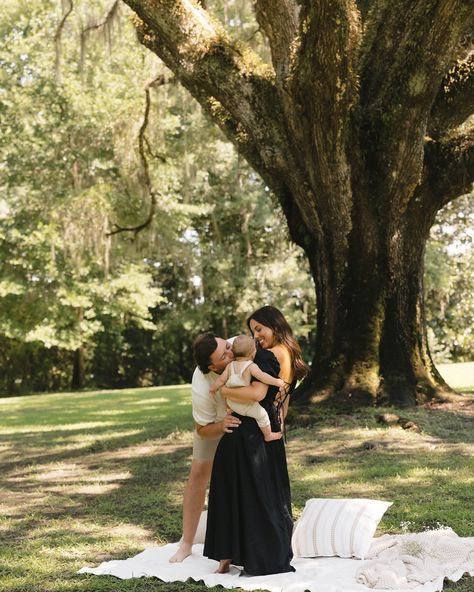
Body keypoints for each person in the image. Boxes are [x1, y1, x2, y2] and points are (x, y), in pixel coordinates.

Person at [204, 305, 309, 575]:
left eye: (259, 329)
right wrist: (279, 425)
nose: (256, 336)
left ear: (275, 325)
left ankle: (253, 554)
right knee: (261, 492)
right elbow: (280, 400)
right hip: (266, 426)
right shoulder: (286, 352)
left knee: (251, 494)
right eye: (253, 332)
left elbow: (256, 393)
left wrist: (225, 390)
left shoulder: (269, 356)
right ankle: (239, 553)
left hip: (251, 431)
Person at [168, 332, 241, 563]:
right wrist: (222, 425)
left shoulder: (240, 346)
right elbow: (202, 429)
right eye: (224, 354)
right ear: (212, 366)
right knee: (199, 473)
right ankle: (187, 543)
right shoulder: (201, 382)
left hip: (245, 417)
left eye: (227, 346)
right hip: (214, 424)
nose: (230, 352)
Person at [209, 335, 285, 442]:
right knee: (262, 415)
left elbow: (221, 380)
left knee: (228, 392)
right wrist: (277, 382)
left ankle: (228, 410)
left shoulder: (230, 366)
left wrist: (213, 388)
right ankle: (268, 435)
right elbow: (263, 377)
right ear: (252, 352)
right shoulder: (251, 366)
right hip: (245, 404)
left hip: (232, 403)